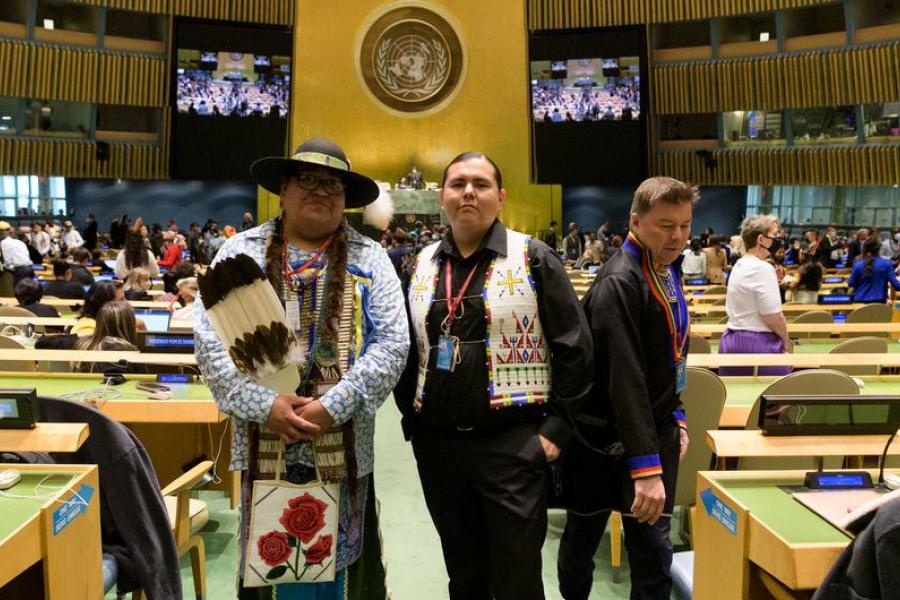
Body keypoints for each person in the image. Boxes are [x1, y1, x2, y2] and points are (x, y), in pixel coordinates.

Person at [194, 137, 409, 600]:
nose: (320, 191)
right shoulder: (240, 254)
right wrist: (264, 404)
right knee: (270, 566)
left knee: (341, 571)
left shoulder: (371, 259)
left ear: (347, 199)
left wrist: (334, 405)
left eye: (332, 184)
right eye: (307, 180)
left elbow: (392, 344)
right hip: (262, 444)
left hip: (344, 448)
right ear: (283, 190)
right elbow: (209, 344)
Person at [395, 152, 592, 600]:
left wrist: (554, 432)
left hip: (513, 444)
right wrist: (414, 421)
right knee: (463, 574)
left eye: (481, 184)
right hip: (439, 447)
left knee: (517, 578)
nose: (469, 192)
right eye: (458, 183)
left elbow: (575, 349)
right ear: (442, 197)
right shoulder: (422, 263)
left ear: (500, 198)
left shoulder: (533, 257)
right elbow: (407, 350)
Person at [558, 177, 696, 600]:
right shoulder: (620, 280)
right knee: (583, 537)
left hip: (652, 429)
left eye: (685, 226)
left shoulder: (664, 267)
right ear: (635, 220)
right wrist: (647, 466)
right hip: (605, 440)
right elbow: (626, 378)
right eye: (665, 225)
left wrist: (676, 412)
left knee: (654, 556)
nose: (677, 237)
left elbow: (666, 357)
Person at [718, 215, 791, 376]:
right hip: (757, 343)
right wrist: (787, 342)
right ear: (761, 239)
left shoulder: (739, 264)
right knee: (776, 399)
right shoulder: (763, 268)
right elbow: (772, 317)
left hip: (731, 339)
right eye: (774, 235)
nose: (778, 239)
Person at [848, 238, 900, 304]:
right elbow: (896, 286)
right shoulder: (887, 264)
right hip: (879, 303)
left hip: (859, 303)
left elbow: (851, 283)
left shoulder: (857, 265)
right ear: (880, 249)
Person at [0, 221, 34, 286]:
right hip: (30, 268)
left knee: (18, 292)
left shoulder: (3, 243)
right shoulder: (19, 242)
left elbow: (7, 262)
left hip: (20, 271)